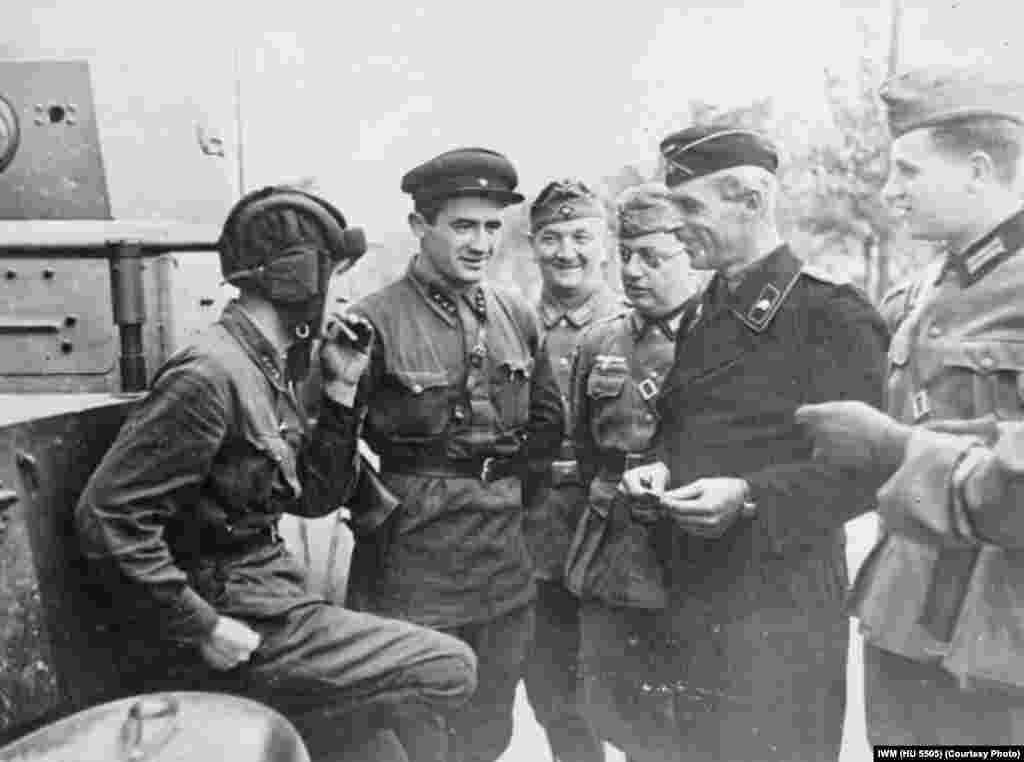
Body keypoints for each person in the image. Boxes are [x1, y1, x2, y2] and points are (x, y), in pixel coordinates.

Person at [74, 185, 478, 762]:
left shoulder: (265, 367)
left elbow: (314, 498)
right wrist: (203, 627)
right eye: (338, 276)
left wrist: (341, 390)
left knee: (384, 748)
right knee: (450, 668)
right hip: (234, 614)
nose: (347, 294)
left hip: (270, 594)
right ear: (297, 280)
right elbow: (107, 517)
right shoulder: (210, 375)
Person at [618, 126, 889, 761]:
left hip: (780, 610)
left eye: (691, 207)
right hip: (692, 596)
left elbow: (863, 475)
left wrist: (747, 497)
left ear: (751, 199)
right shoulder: (709, 306)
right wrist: (656, 468)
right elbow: (694, 429)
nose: (676, 225)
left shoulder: (832, 315)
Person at [797, 64, 1024, 746]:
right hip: (903, 621)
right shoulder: (924, 289)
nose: (890, 193)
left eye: (909, 172)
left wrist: (893, 450)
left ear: (978, 169)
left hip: (997, 646)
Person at [336, 148, 564, 762]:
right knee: (418, 727)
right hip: (415, 562)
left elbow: (546, 430)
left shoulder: (517, 312)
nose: (481, 243)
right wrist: (382, 513)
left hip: (502, 561)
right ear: (420, 225)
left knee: (491, 724)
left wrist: (516, 503)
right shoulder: (372, 322)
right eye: (463, 225)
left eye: (493, 227)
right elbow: (326, 457)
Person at [565, 183, 700, 762]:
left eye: (654, 257)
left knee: (684, 714)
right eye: (627, 256)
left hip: (687, 548)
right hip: (614, 547)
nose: (635, 271)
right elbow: (586, 445)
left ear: (692, 253)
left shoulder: (718, 339)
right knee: (613, 704)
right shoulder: (601, 341)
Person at [521, 178, 621, 762]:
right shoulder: (512, 324)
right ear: (534, 245)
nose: (567, 252)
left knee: (633, 695)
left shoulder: (638, 320)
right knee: (554, 694)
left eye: (581, 236)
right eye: (552, 238)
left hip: (617, 536)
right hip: (539, 538)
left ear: (604, 244)